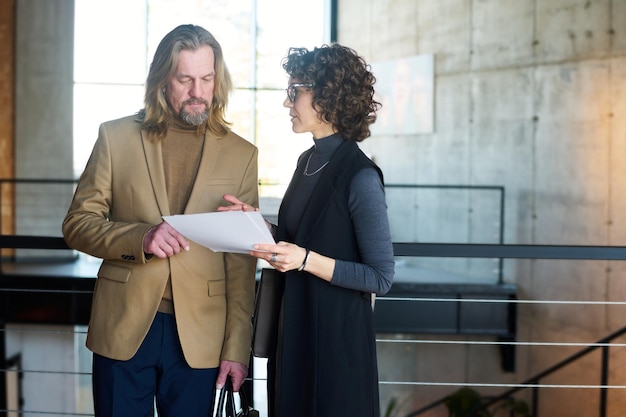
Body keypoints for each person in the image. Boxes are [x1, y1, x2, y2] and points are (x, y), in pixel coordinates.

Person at [62, 24, 258, 417]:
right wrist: (141, 238)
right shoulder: (115, 138)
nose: (198, 91)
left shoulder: (242, 155)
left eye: (207, 78)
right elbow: (77, 224)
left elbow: (241, 263)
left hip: (201, 336)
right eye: (185, 79)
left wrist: (237, 348)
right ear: (162, 80)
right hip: (124, 327)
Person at [221, 44, 395, 417]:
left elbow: (380, 277)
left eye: (294, 92)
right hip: (296, 330)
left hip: (337, 346)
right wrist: (258, 223)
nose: (288, 104)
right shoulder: (307, 160)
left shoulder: (361, 176)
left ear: (327, 96)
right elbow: (302, 237)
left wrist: (304, 260)